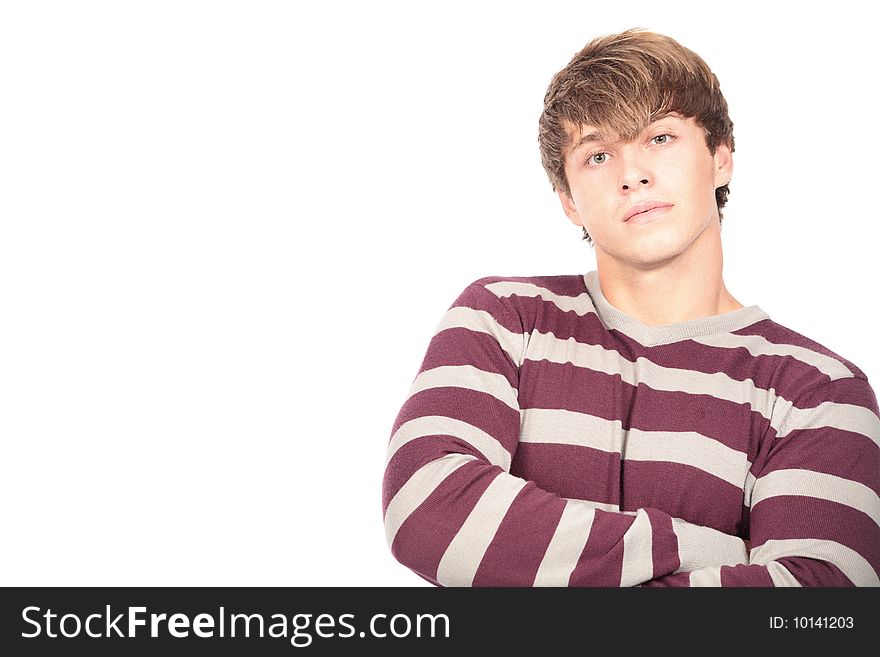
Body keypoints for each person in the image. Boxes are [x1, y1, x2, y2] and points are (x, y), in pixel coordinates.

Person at [381, 29, 880, 586]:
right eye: (598, 154)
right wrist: (704, 549)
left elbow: (824, 605)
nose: (632, 174)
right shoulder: (501, 319)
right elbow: (426, 508)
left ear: (720, 159)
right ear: (569, 200)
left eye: (660, 138)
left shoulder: (819, 390)